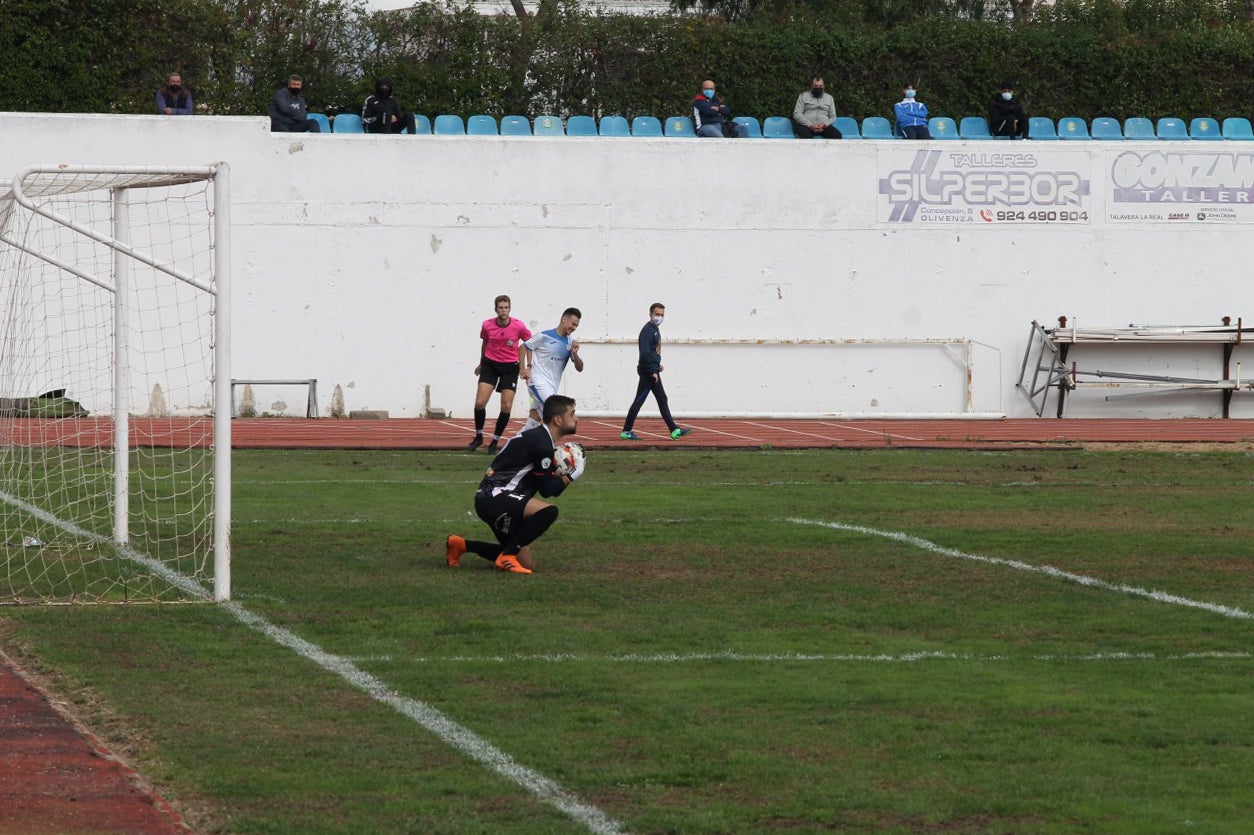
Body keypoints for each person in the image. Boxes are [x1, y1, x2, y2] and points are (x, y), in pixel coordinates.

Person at [445, 394, 584, 574]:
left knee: (525, 563)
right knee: (549, 512)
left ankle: (460, 545)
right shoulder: (541, 444)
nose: (577, 418)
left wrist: (557, 468)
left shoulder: (540, 438)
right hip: (497, 497)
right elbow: (548, 490)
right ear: (557, 420)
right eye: (572, 414)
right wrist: (573, 474)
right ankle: (507, 557)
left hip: (494, 497)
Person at [468, 295, 532, 453]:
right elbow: (485, 342)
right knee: (480, 403)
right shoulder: (487, 325)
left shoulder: (518, 326)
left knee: (506, 405)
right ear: (495, 309)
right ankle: (478, 436)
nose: (503, 310)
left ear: (510, 308)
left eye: (506, 307)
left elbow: (530, 344)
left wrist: (528, 366)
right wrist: (482, 363)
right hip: (490, 365)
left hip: (510, 367)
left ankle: (494, 441)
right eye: (500, 307)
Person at [620, 303, 692, 441]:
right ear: (650, 314)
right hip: (648, 373)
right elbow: (645, 354)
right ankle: (627, 431)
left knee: (662, 399)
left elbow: (652, 352)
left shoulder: (654, 329)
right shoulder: (647, 331)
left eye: (662, 315)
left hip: (652, 370)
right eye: (657, 314)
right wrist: (653, 371)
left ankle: (674, 429)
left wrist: (657, 365)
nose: (659, 317)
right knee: (640, 400)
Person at [520, 308, 584, 433]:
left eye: (576, 325)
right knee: (556, 416)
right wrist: (524, 368)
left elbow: (580, 368)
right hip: (537, 383)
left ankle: (512, 448)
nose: (574, 327)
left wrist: (575, 354)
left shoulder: (570, 343)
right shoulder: (544, 336)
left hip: (551, 387)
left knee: (532, 424)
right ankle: (548, 450)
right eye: (573, 324)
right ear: (564, 320)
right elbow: (523, 347)